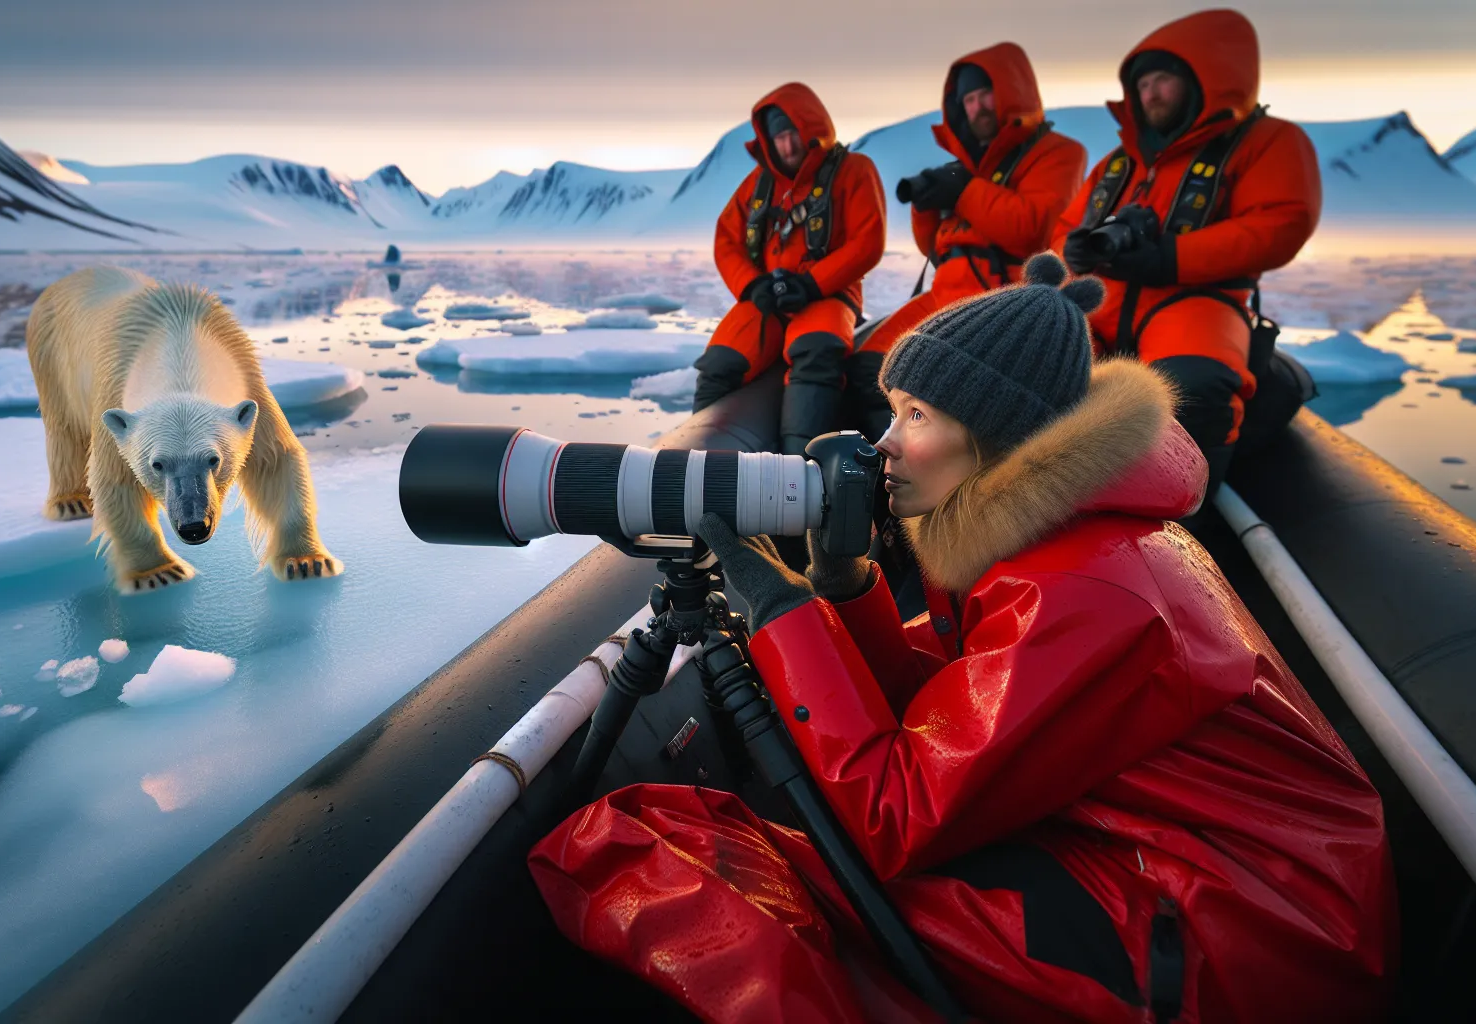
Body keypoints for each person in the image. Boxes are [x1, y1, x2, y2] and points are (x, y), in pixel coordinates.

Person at [529, 255, 1396, 1023]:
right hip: (1201, 881)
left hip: (1245, 948)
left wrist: (785, 620)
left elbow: (893, 819)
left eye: (914, 415)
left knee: (651, 845)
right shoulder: (1062, 537)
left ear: (998, 439)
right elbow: (952, 717)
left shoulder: (1088, 591)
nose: (884, 444)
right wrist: (850, 586)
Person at [1050, 8, 1321, 501]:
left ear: (1205, 80)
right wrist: (1070, 251)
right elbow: (1069, 227)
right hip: (1104, 309)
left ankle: (1183, 538)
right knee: (1030, 369)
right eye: (1143, 84)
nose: (1150, 93)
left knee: (1191, 390)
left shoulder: (1268, 142)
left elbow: (1281, 223)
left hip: (1197, 303)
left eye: (1163, 80)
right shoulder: (1119, 163)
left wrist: (1168, 257)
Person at [855, 44, 1087, 439]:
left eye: (985, 95)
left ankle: (931, 478)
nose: (977, 107)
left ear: (1013, 93)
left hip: (999, 306)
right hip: (945, 299)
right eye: (969, 99)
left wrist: (964, 190)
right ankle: (884, 479)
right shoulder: (968, 168)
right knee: (866, 370)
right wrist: (928, 205)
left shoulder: (1059, 154)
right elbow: (937, 249)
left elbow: (1032, 228)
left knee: (929, 385)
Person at [694, 83, 887, 455]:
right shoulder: (759, 183)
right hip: (768, 298)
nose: (788, 146)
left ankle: (798, 468)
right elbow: (726, 240)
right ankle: (701, 467)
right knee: (719, 363)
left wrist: (813, 285)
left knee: (816, 352)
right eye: (779, 137)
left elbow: (868, 242)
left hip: (827, 296)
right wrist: (752, 286)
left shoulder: (854, 170)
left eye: (793, 134)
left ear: (811, 128)